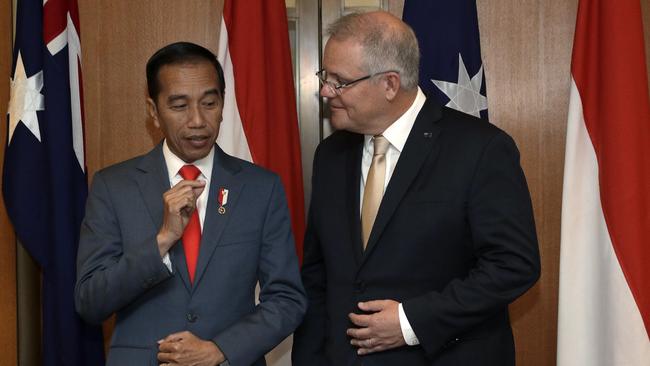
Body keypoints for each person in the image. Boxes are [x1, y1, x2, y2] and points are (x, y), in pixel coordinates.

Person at [292, 11, 540, 366]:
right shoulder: (330, 155)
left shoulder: (480, 149)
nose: (325, 91)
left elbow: (514, 265)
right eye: (325, 76)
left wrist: (410, 322)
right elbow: (318, 277)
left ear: (390, 84)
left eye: (340, 81)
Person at [75, 42, 306, 366]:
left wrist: (220, 350)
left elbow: (287, 299)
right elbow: (90, 301)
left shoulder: (260, 188)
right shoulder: (114, 187)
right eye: (180, 106)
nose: (198, 120)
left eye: (209, 103)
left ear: (223, 103)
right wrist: (162, 241)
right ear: (154, 111)